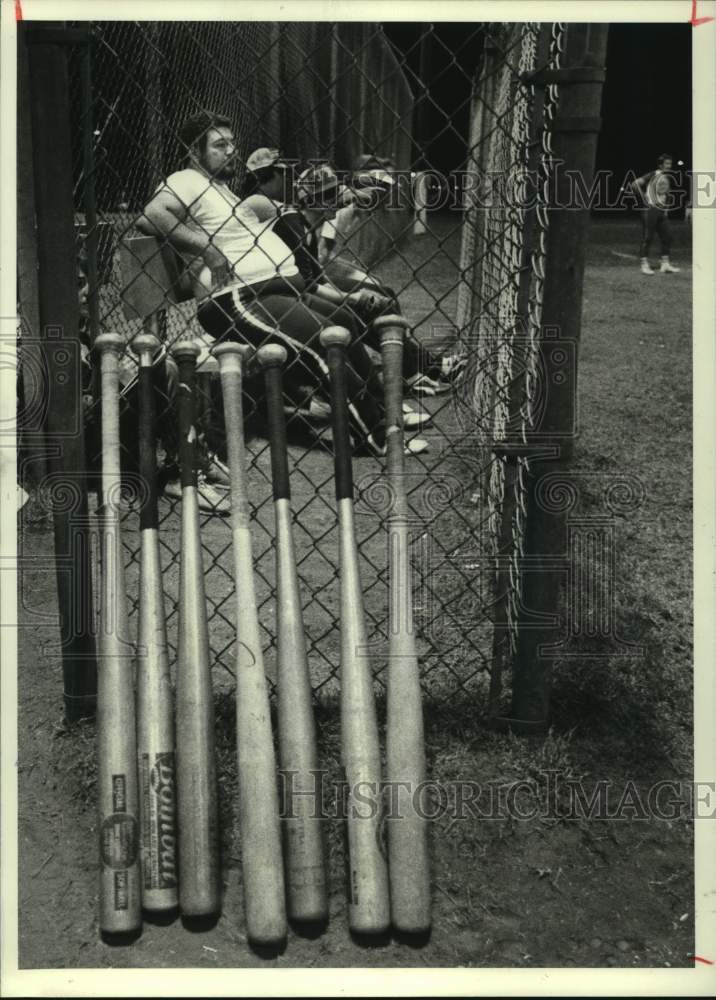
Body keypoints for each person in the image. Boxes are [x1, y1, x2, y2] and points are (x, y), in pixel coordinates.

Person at [138, 111, 427, 457]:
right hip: (236, 297)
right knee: (325, 344)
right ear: (193, 151)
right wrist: (209, 250)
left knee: (345, 323)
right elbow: (151, 214)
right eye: (219, 145)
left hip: (273, 288)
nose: (231, 150)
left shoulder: (221, 190)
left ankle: (384, 414)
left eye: (232, 143)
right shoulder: (186, 179)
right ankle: (376, 435)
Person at [242, 150, 465, 400]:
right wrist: (354, 294)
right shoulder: (277, 212)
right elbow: (314, 273)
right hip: (289, 290)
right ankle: (412, 372)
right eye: (325, 196)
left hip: (308, 279)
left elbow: (317, 263)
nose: (333, 201)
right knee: (365, 306)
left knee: (380, 297)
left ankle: (417, 367)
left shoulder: (305, 213)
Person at [630, 153, 681, 276]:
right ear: (660, 165)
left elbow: (666, 194)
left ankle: (665, 264)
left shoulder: (667, 177)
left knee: (668, 236)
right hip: (650, 210)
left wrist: (666, 209)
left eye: (670, 164)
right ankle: (644, 265)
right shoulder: (653, 174)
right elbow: (634, 184)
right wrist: (645, 199)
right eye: (667, 164)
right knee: (648, 237)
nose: (669, 166)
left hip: (661, 211)